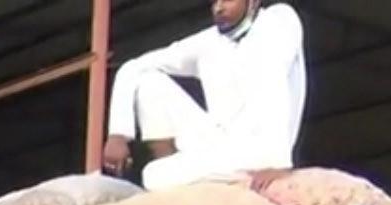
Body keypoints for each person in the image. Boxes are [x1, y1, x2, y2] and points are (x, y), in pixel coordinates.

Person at [101, 0, 307, 191]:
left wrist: (277, 162)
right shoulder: (209, 42)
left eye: (228, 0)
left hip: (258, 150)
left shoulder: (277, 21)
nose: (218, 8)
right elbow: (134, 67)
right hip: (220, 146)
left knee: (154, 176)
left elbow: (275, 84)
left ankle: (201, 180)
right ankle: (178, 178)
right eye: (215, 1)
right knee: (149, 81)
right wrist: (118, 134)